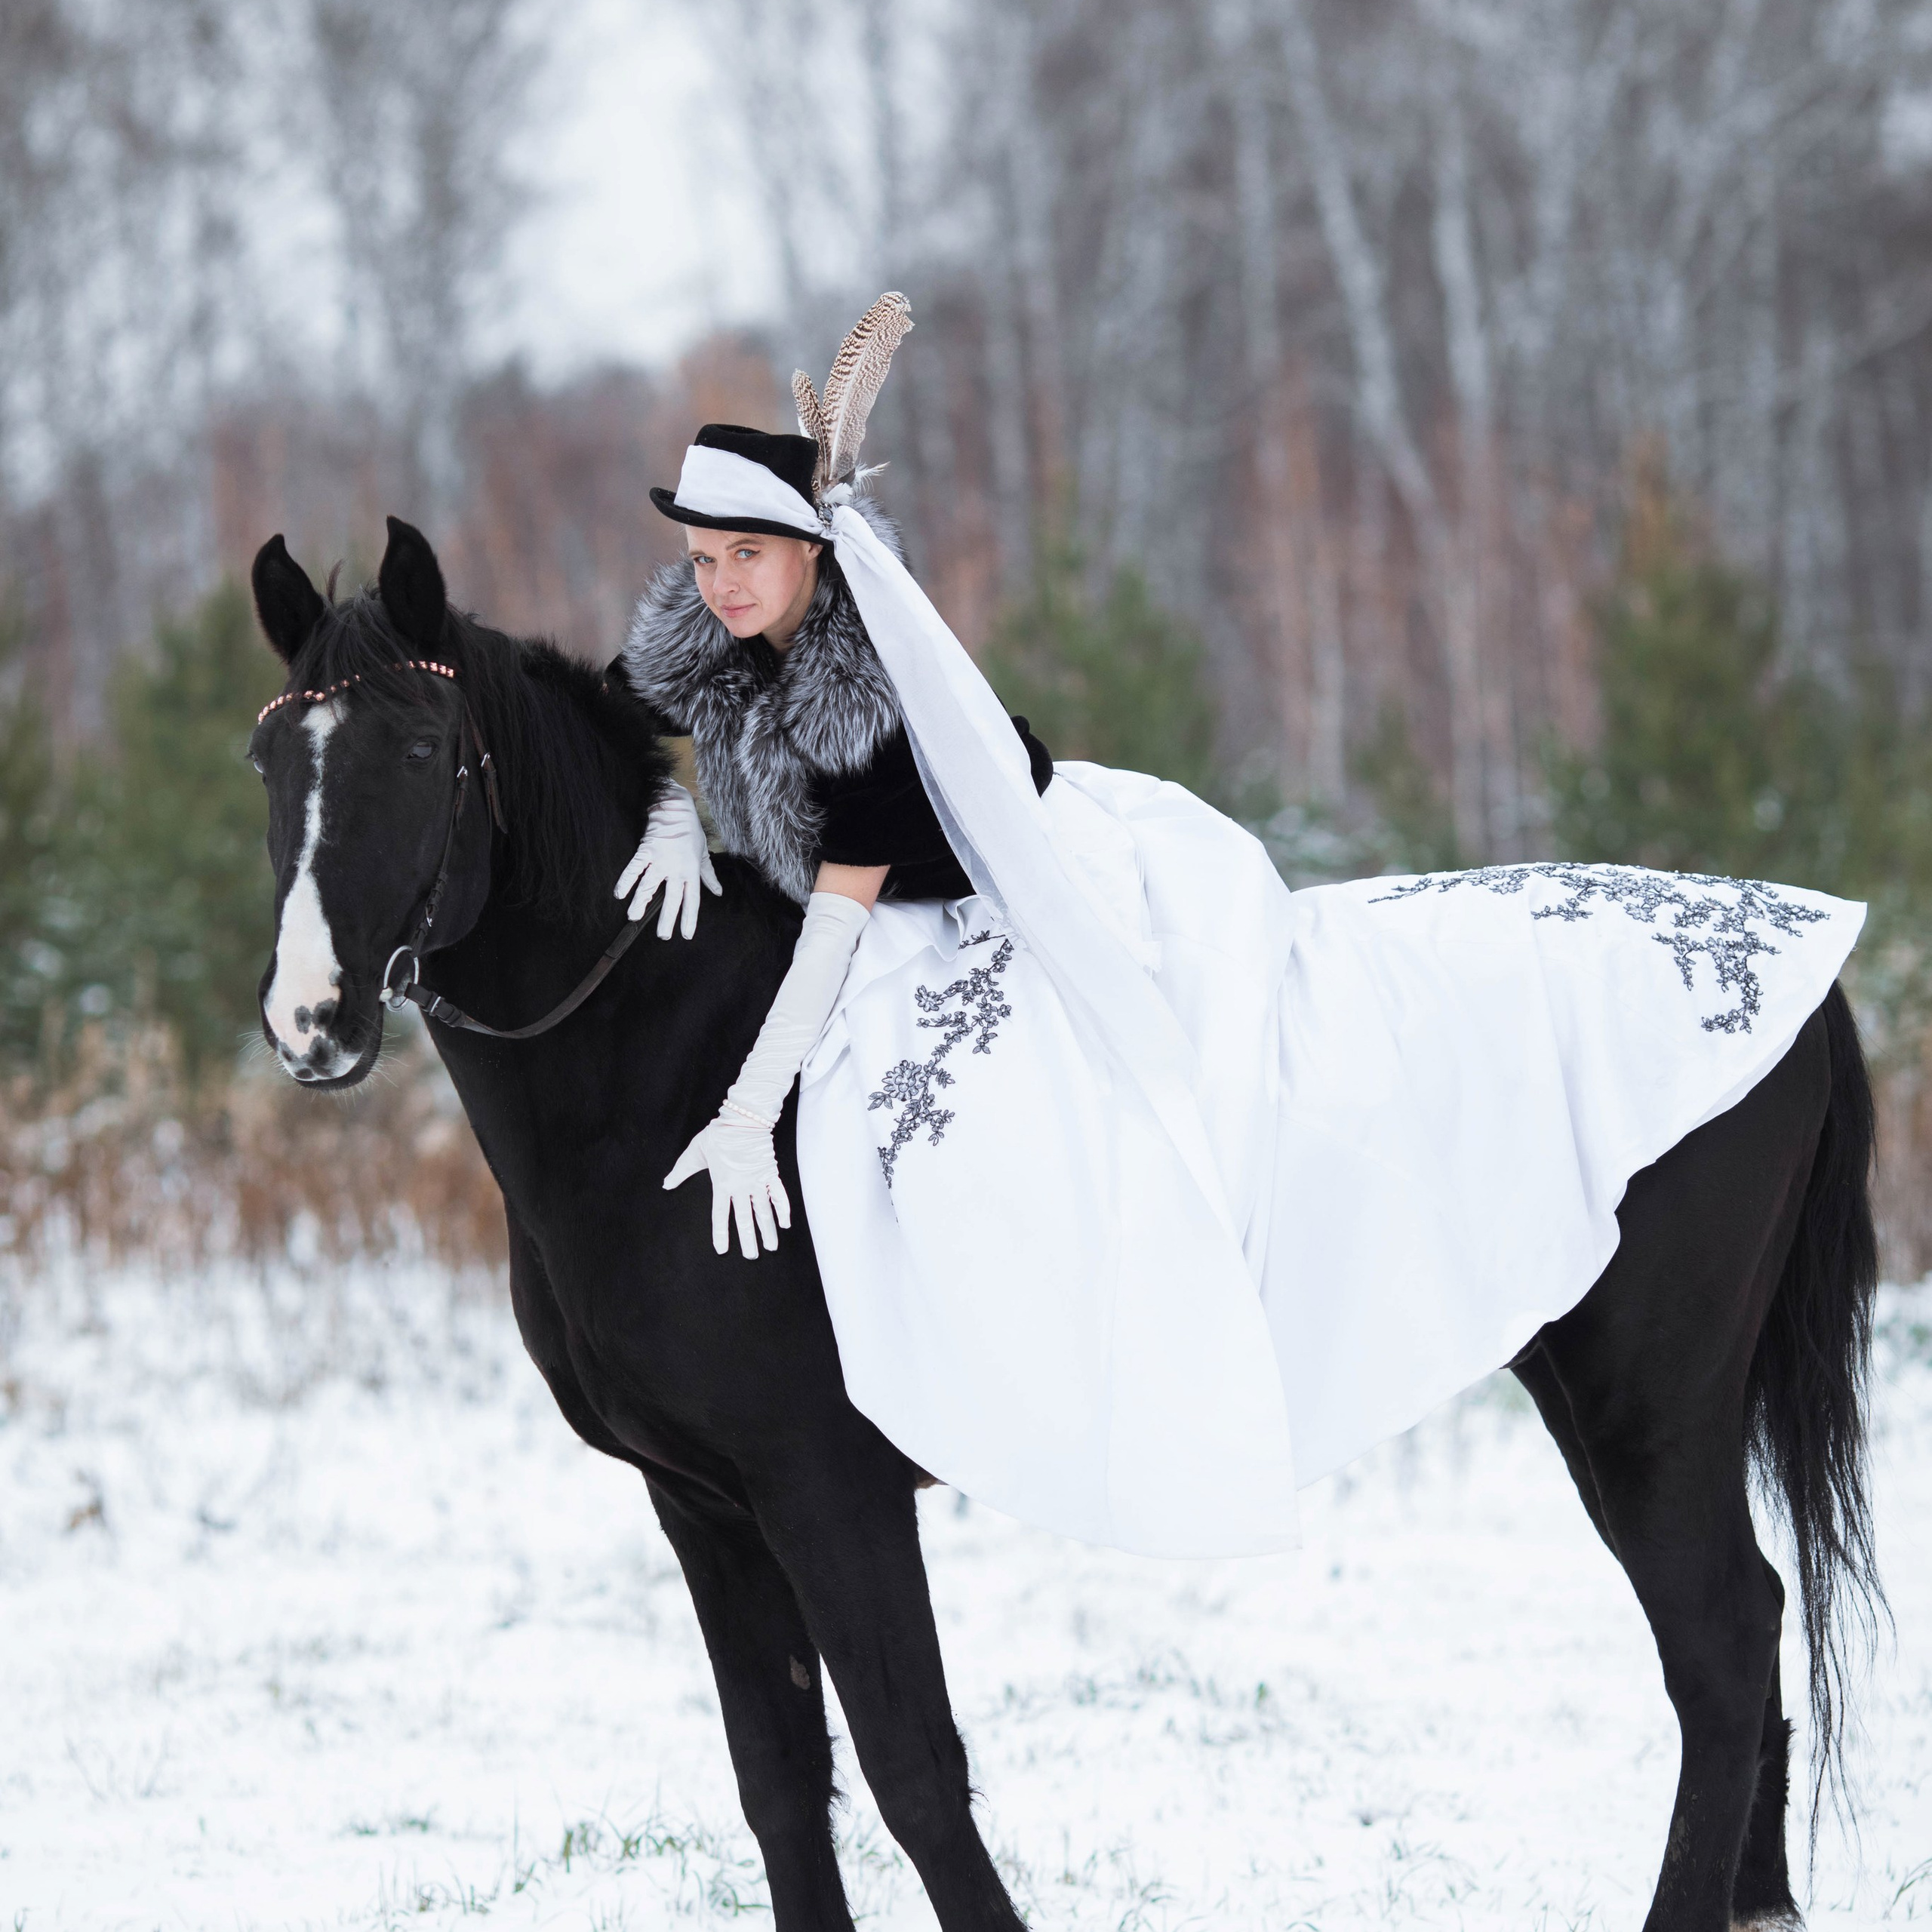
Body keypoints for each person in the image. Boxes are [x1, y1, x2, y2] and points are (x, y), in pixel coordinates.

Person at [611, 293, 1866, 1558]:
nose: (722, 584)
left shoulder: (867, 696)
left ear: (813, 553)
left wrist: (749, 1110)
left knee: (1075, 1112)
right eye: (704, 558)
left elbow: (837, 926)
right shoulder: (705, 630)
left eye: (748, 556)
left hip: (1005, 886)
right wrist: (664, 805)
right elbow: (608, 717)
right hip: (893, 911)